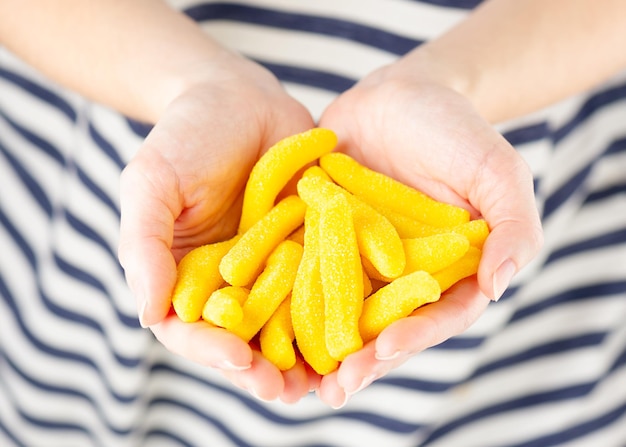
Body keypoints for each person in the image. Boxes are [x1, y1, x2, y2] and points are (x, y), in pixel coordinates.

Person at [1, 0, 625, 445]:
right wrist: (192, 82)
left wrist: (452, 78)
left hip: (532, 145)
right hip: (113, 124)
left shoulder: (340, 205)